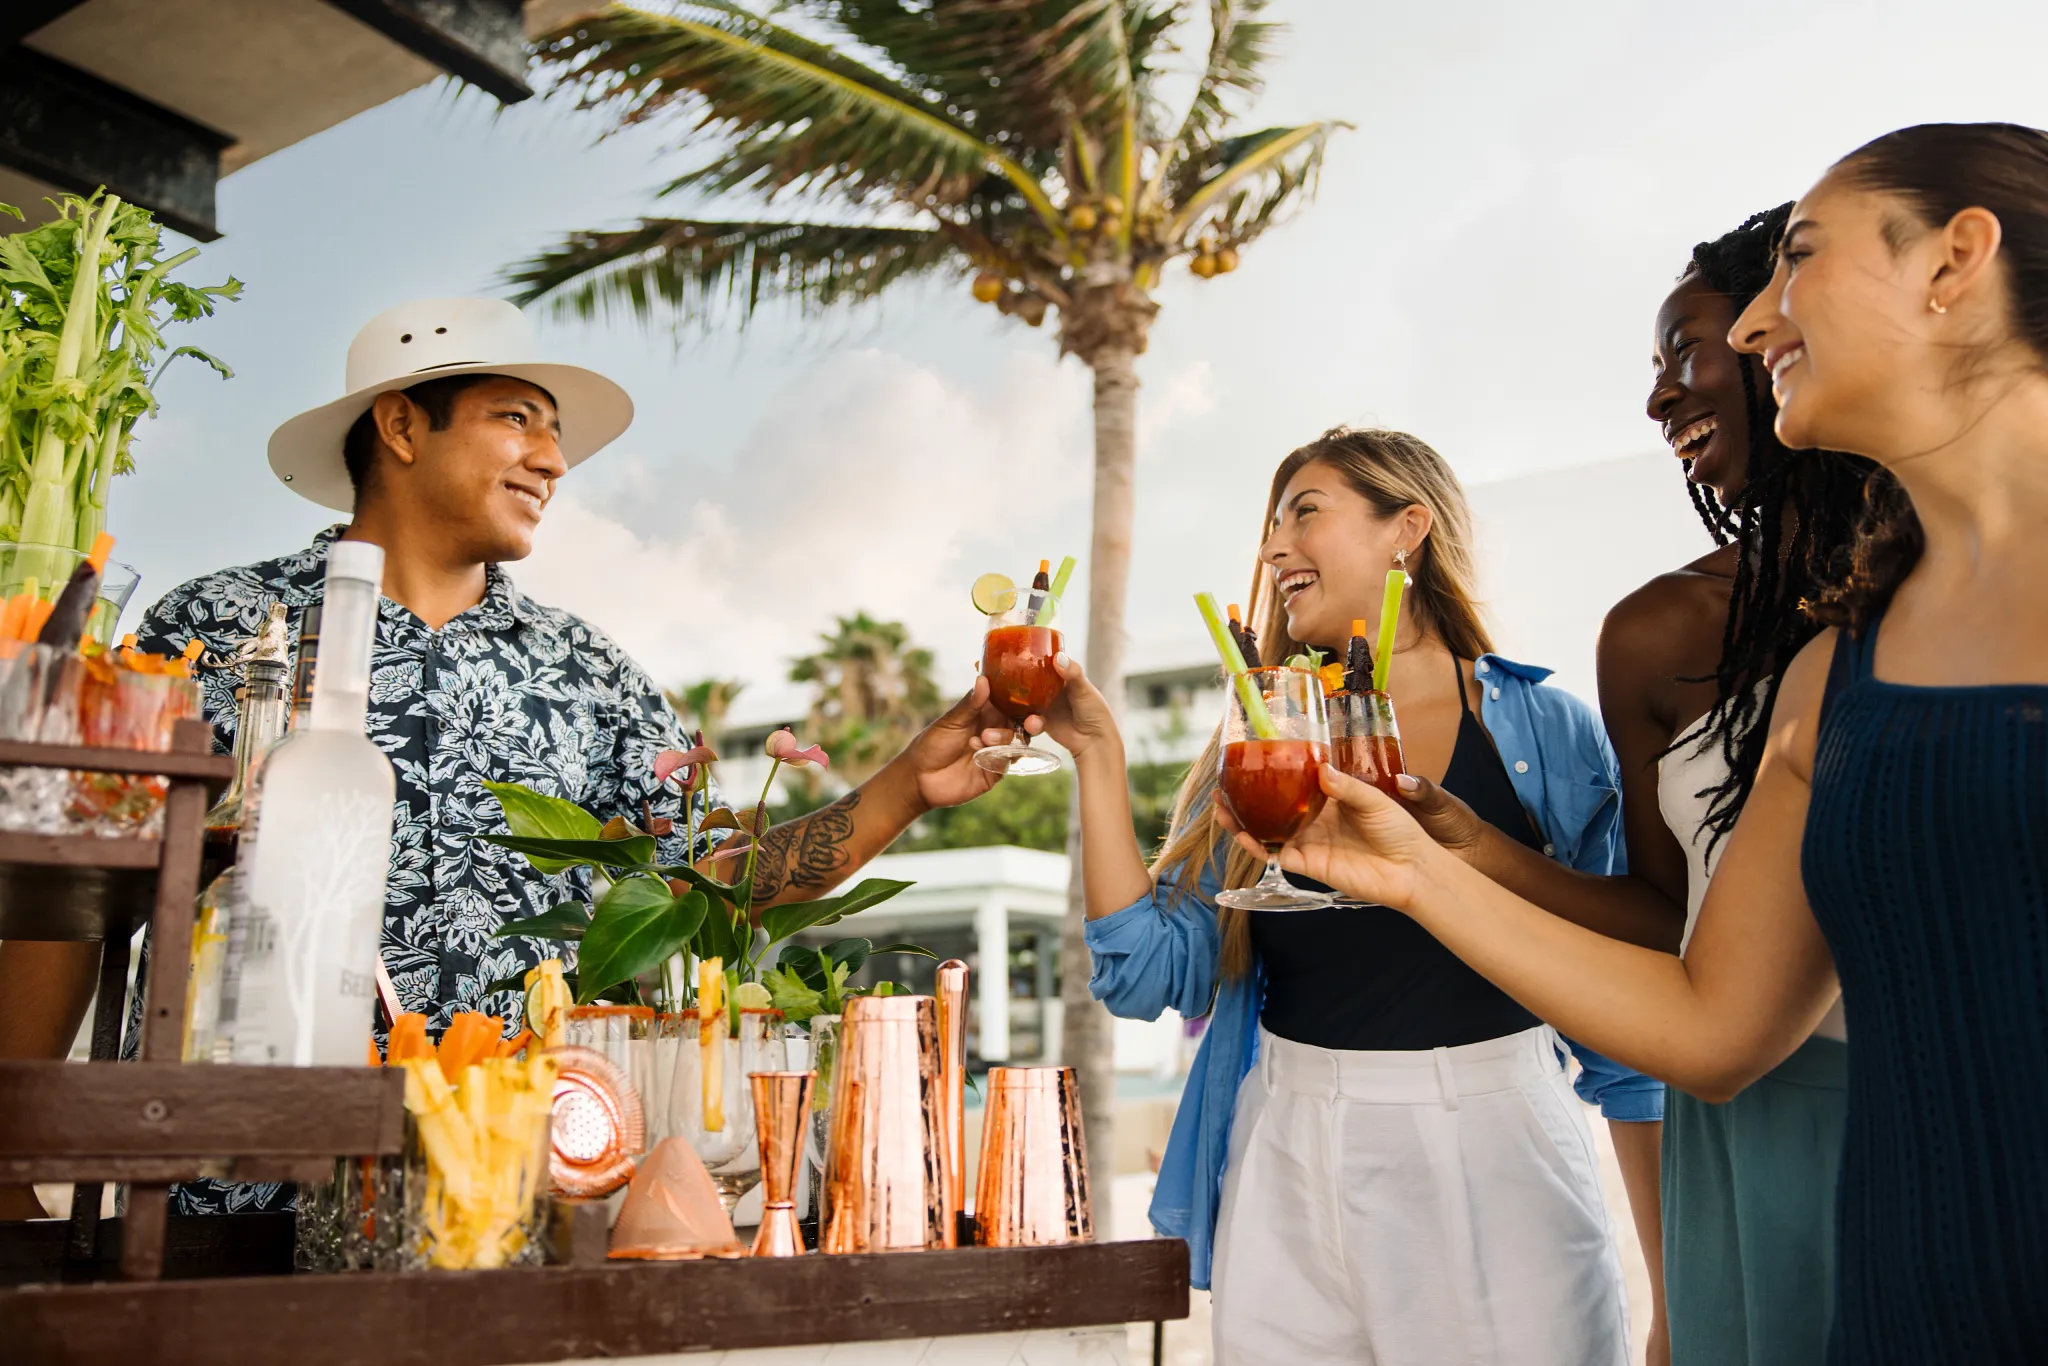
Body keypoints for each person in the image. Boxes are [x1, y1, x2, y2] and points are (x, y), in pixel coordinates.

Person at [1262, 124, 2048, 1362]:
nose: (1749, 327)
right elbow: (1709, 1029)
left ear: (1954, 260)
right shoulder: (1834, 672)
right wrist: (1413, 873)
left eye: (1797, 260)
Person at [0, 298, 1010, 1220]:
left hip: (506, 1196)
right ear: (400, 426)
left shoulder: (594, 674)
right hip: (218, 1190)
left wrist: (901, 790)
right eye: (516, 418)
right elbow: (72, 884)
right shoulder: (210, 630)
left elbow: (705, 884)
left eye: (556, 433)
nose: (553, 460)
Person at [1015, 427, 1654, 1365]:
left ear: (1410, 528)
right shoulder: (1258, 740)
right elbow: (1145, 974)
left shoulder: (1542, 729)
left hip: (1491, 1133)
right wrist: (1098, 757)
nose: (1273, 548)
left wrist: (1674, 1293)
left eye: (1304, 512)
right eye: (1271, 523)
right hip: (1286, 1136)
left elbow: (1626, 1028)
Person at [1397, 207, 1877, 1365]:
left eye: (1683, 350)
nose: (1660, 396)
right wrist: (1460, 847)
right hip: (1742, 1104)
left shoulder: (1945, 591)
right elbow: (1673, 922)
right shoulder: (1655, 632)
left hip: (1918, 1081)